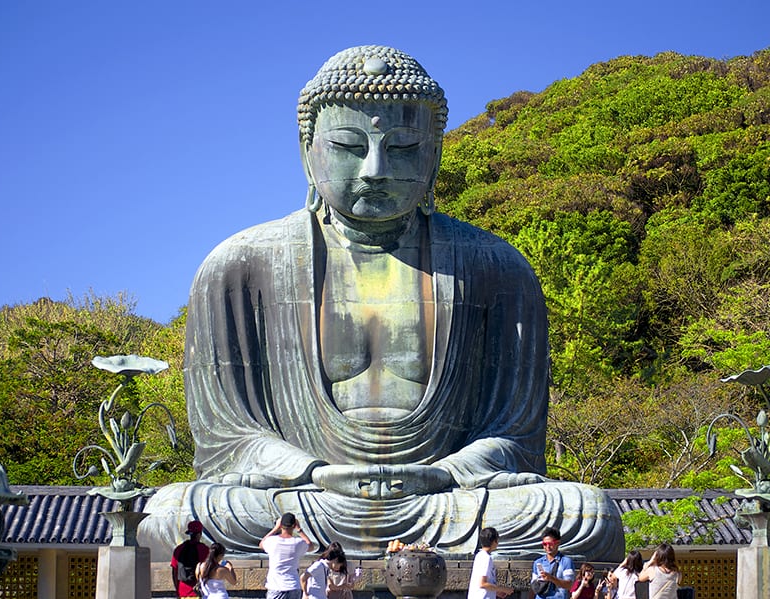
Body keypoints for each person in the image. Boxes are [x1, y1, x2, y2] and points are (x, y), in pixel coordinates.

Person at [138, 44, 624, 562]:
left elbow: (514, 436)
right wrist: (313, 472)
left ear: (435, 153)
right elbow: (227, 438)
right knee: (169, 515)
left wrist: (444, 472)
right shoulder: (240, 266)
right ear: (307, 150)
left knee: (585, 513)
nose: (375, 169)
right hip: (305, 500)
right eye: (348, 144)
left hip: (444, 498)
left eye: (404, 147)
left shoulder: (495, 266)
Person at [260, 513, 315, 599]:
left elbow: (261, 544)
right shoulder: (298, 543)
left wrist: (275, 529)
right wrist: (299, 529)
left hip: (275, 587)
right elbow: (311, 546)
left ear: (281, 525)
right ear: (294, 526)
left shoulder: (272, 541)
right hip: (293, 586)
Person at [467, 527, 514, 599]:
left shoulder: (480, 555)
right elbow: (482, 584)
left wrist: (495, 592)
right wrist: (504, 589)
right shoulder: (486, 558)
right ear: (494, 541)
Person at [530, 527, 574, 599]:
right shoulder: (537, 562)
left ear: (558, 543)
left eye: (550, 543)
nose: (547, 547)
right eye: (545, 544)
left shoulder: (566, 561)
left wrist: (552, 578)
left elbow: (569, 585)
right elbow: (533, 587)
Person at [171, 520, 209, 598]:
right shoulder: (204, 549)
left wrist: (177, 590)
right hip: (198, 592)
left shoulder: (179, 549)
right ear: (199, 534)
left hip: (182, 591)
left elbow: (174, 572)